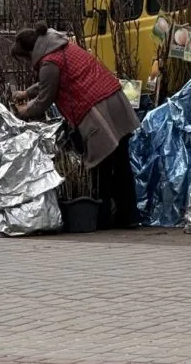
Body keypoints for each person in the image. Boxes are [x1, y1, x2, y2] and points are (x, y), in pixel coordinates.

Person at [12, 21, 140, 229]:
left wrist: (26, 110)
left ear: (30, 52)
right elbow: (50, 81)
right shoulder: (61, 45)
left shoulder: (49, 62)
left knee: (101, 169)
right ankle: (129, 216)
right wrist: (28, 93)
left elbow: (45, 98)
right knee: (121, 163)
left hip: (98, 112)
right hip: (115, 102)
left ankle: (104, 219)